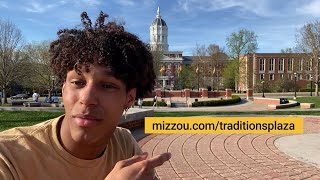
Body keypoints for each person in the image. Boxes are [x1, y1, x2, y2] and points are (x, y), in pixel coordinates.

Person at [0, 11, 170, 180]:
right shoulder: (8, 157)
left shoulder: (123, 144)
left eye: (107, 86)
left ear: (129, 98)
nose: (87, 99)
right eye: (78, 82)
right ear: (63, 88)